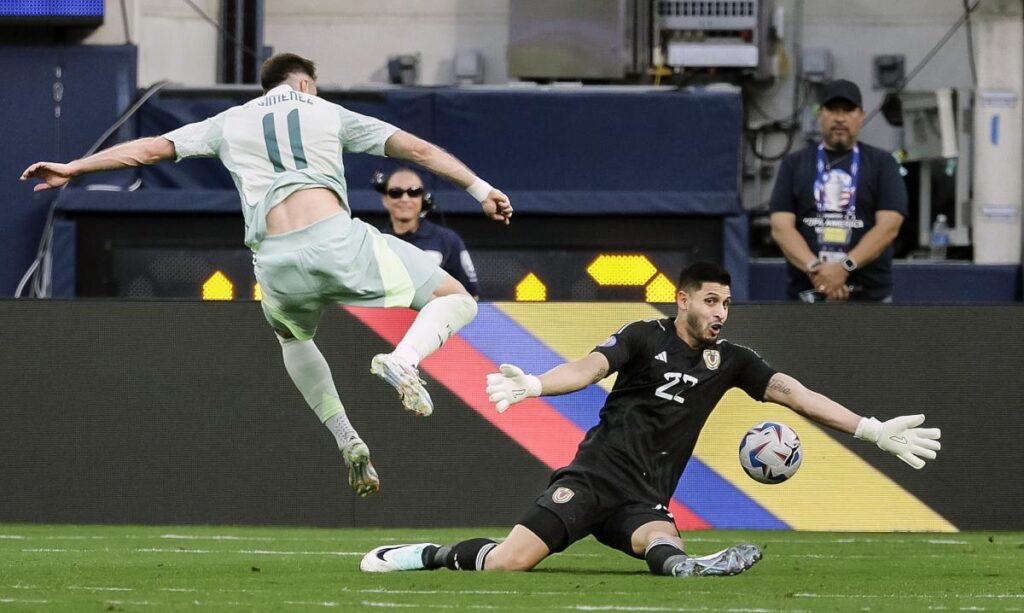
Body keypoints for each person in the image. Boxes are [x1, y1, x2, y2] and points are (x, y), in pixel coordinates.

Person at [20, 52, 513, 498]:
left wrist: (73, 167)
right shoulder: (326, 111)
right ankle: (404, 360)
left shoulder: (229, 122)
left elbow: (149, 150)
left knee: (293, 339)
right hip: (335, 240)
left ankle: (345, 435)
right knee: (455, 297)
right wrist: (480, 188)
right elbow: (418, 151)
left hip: (274, 260)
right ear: (304, 86)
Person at [360, 261, 941, 577]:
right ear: (683, 300)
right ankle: (424, 555)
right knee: (510, 564)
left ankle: (693, 566)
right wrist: (536, 383)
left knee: (661, 546)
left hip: (645, 496)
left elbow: (793, 392)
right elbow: (588, 368)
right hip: (592, 480)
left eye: (727, 303)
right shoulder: (645, 335)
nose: (721, 313)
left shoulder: (731, 360)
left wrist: (870, 429)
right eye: (711, 301)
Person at [770, 79, 908, 302]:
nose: (840, 118)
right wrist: (817, 270)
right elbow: (780, 228)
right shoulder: (794, 164)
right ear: (820, 115)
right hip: (807, 295)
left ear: (861, 115)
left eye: (848, 110)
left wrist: (845, 267)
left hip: (869, 297)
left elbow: (889, 227)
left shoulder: (883, 164)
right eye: (833, 110)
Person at [376, 167, 480, 298]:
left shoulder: (447, 240)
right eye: (396, 193)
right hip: (384, 318)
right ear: (385, 200)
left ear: (423, 198)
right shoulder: (375, 242)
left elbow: (471, 296)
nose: (405, 199)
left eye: (414, 192)